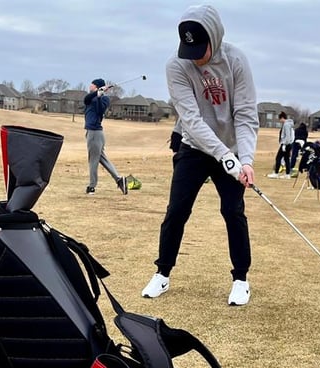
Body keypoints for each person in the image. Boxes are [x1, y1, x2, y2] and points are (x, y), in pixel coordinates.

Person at [141, 4, 258, 306]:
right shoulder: (176, 65)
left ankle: (240, 279)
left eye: (201, 50)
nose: (196, 58)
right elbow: (191, 119)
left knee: (233, 212)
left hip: (231, 148)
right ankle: (162, 273)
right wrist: (222, 155)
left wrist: (244, 160)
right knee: (176, 211)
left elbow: (245, 115)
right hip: (194, 146)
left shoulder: (236, 61)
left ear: (215, 38)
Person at [83, 78, 128, 195]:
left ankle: (92, 186)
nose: (90, 86)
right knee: (101, 158)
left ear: (97, 86)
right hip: (92, 132)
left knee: (93, 160)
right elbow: (85, 99)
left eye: (92, 85)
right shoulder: (91, 97)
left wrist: (99, 96)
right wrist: (96, 94)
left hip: (95, 133)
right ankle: (119, 179)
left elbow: (99, 110)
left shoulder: (105, 99)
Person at [267, 112, 294, 179]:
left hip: (285, 144)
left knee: (278, 158)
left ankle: (276, 173)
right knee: (286, 159)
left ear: (282, 118)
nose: (280, 121)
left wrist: (284, 144)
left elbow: (287, 136)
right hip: (288, 144)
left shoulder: (286, 125)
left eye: (280, 119)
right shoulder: (288, 124)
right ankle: (287, 174)